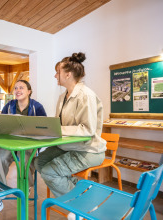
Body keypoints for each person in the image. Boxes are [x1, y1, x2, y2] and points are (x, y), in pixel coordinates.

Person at [34, 52, 106, 219]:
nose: (55, 75)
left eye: (57, 72)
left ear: (68, 74)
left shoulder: (85, 95)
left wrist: (58, 130)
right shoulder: (62, 97)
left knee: (50, 173)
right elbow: (61, 124)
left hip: (88, 150)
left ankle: (79, 207)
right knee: (39, 162)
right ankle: (82, 190)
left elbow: (87, 130)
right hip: (69, 146)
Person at [0, 80, 47, 219]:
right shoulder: (8, 106)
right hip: (10, 143)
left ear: (29, 91)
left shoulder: (37, 107)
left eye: (21, 87)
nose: (18, 90)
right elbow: (0, 124)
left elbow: (45, 128)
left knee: (27, 160)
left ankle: (27, 186)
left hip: (29, 145)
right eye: (16, 88)